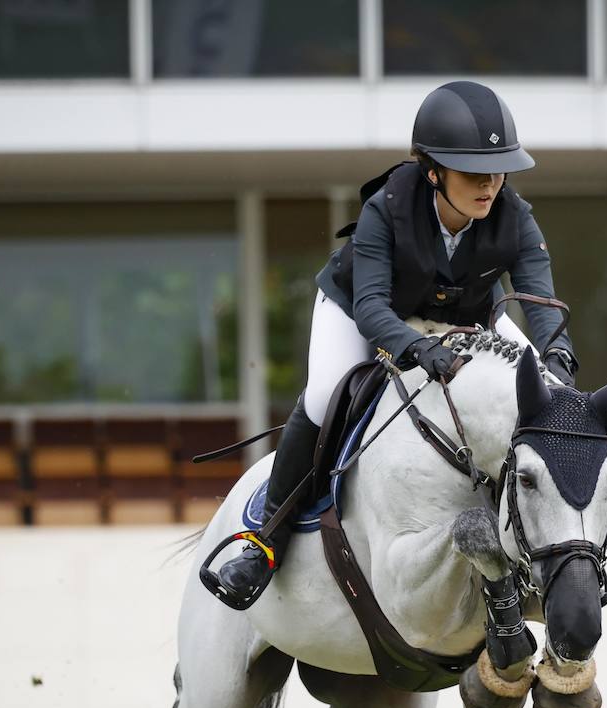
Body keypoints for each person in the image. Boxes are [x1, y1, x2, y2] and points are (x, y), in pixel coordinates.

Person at [217, 80, 578, 606]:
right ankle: (263, 543)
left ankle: (543, 553)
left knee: (543, 393)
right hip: (361, 309)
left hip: (462, 318)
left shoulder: (515, 217)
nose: (491, 185)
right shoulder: (387, 208)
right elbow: (371, 309)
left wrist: (558, 356)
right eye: (474, 173)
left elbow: (540, 304)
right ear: (433, 171)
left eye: (499, 170)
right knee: (323, 397)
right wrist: (417, 349)